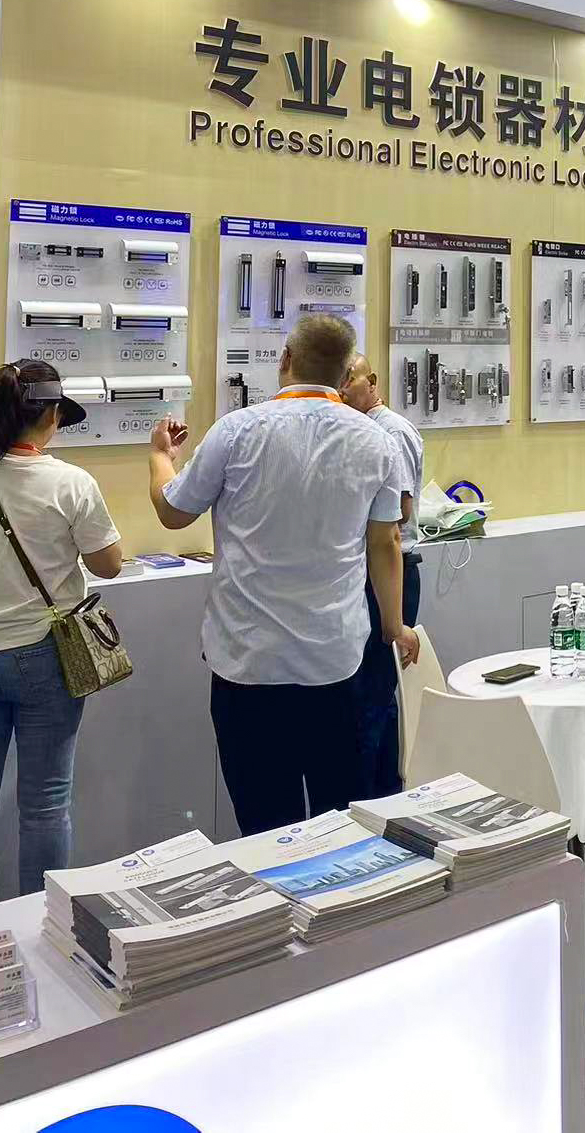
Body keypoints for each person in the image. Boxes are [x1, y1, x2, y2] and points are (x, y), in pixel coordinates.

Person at [147, 315, 419, 834]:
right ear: (346, 375)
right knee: (340, 822)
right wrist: (394, 626)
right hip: (335, 664)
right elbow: (385, 542)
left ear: (286, 360)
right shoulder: (374, 441)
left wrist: (161, 458)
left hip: (249, 665)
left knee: (265, 827)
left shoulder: (236, 430)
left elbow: (173, 511)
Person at [0, 361, 122, 892]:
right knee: (45, 804)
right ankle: (38, 919)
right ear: (50, 416)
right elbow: (109, 564)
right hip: (47, 653)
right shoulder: (71, 482)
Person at [341, 353, 424, 796]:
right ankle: (382, 792)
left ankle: (373, 796)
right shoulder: (356, 430)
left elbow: (400, 511)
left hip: (391, 569)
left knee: (372, 695)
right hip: (368, 568)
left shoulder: (390, 432)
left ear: (371, 382)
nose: (341, 389)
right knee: (369, 696)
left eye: (350, 379)